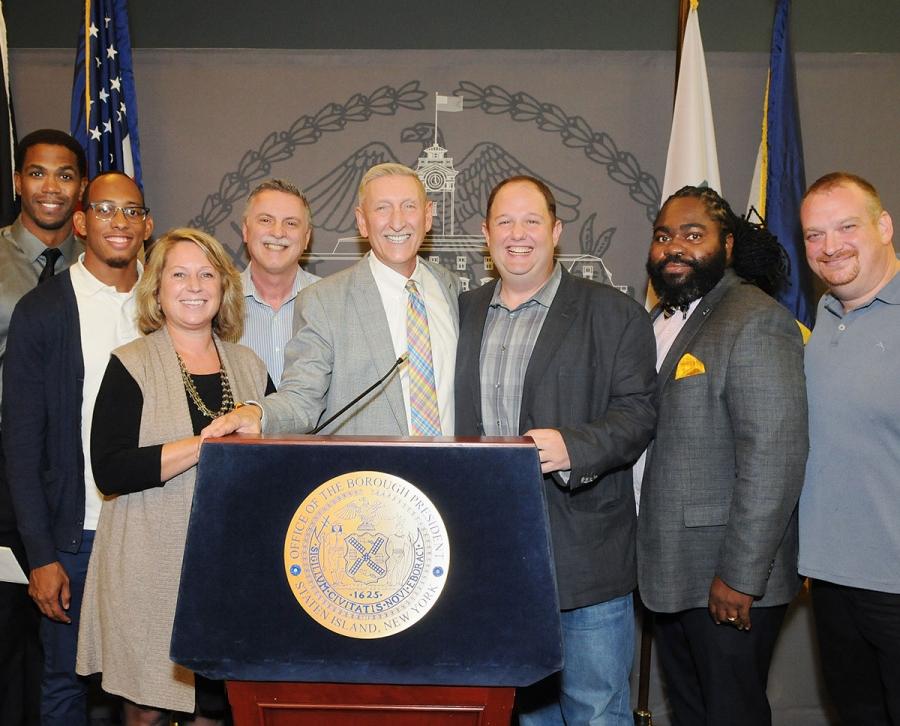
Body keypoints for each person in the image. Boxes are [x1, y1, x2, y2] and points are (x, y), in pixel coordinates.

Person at [455, 176, 657, 725]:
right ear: (485, 234)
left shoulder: (614, 314)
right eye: (504, 222)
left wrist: (573, 446)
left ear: (556, 231)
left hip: (585, 558)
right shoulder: (460, 312)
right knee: (525, 714)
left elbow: (640, 413)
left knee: (596, 711)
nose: (518, 235)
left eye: (531, 221)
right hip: (492, 560)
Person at [76, 228, 271, 725]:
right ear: (157, 290)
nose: (194, 285)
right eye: (179, 274)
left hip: (229, 570)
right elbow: (111, 468)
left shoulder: (250, 367)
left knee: (213, 705)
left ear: (225, 288)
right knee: (146, 707)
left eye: (208, 274)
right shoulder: (131, 364)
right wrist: (206, 446)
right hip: (148, 565)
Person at [636, 186, 808, 726]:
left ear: (728, 245)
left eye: (693, 234)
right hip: (669, 570)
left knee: (732, 715)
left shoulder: (755, 320)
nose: (674, 248)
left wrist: (740, 576)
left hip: (726, 580)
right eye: (664, 236)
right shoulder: (655, 322)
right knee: (691, 713)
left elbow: (774, 454)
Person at [3, 171, 152, 726]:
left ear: (147, 226)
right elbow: (21, 445)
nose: (119, 221)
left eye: (132, 211)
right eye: (106, 210)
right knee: (65, 682)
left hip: (153, 529)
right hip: (76, 537)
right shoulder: (43, 312)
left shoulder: (173, 302)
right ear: (83, 222)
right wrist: (41, 554)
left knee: (151, 685)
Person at [203, 162, 458, 438]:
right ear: (362, 221)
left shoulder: (451, 289)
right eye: (382, 208)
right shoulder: (323, 301)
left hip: (452, 474)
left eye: (409, 206)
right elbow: (302, 397)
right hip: (367, 478)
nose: (397, 221)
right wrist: (258, 414)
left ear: (428, 215)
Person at [799, 172, 900, 725]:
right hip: (833, 579)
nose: (830, 246)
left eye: (846, 227)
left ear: (883, 227)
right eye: (814, 235)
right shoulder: (826, 316)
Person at [0, 128, 86, 726]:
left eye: (64, 175)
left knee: (70, 650)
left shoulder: (105, 267)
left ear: (80, 188)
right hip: (4, 478)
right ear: (17, 182)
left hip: (72, 480)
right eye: (37, 173)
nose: (50, 187)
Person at [239, 178, 320, 385]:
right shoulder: (215, 304)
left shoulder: (332, 302)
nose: (277, 232)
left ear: (306, 237)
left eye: (291, 223)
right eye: (266, 220)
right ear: (246, 231)